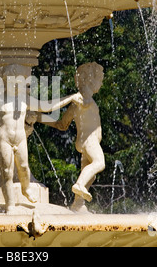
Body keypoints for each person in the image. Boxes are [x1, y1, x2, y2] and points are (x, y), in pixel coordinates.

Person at [0, 64, 81, 213]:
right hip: (4, 139)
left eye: (20, 82)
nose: (17, 85)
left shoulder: (25, 99)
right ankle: (9, 205)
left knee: (24, 167)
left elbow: (47, 106)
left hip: (20, 139)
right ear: (5, 81)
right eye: (14, 82)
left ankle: (26, 188)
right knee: (7, 171)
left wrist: (71, 98)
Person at [46, 62, 105, 211]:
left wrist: (40, 118)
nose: (101, 82)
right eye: (100, 79)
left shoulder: (76, 104)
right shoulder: (85, 99)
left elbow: (62, 125)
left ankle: (78, 205)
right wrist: (72, 98)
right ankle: (79, 185)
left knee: (90, 175)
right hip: (90, 140)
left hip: (83, 142)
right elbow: (83, 101)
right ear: (91, 79)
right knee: (99, 163)